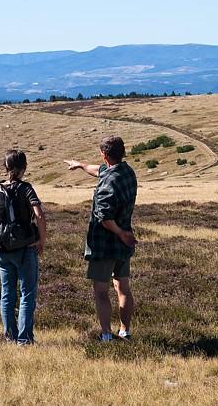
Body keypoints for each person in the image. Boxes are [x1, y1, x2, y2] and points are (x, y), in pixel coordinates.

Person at [64, 135, 137, 342]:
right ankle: (125, 330)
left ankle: (106, 335)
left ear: (104, 154)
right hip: (124, 241)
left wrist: (120, 233)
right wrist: (79, 165)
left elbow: (104, 217)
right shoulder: (127, 171)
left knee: (101, 291)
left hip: (105, 243)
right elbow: (99, 170)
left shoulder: (108, 183)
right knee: (122, 287)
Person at [0, 150, 47, 345]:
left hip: (1, 249)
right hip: (24, 247)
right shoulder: (26, 189)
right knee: (27, 294)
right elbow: (39, 215)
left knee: (7, 293)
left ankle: (10, 336)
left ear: (5, 167)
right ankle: (24, 339)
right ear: (24, 168)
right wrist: (41, 240)